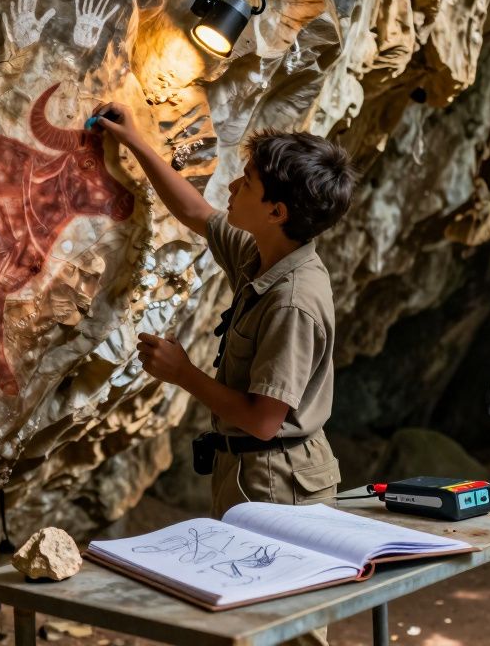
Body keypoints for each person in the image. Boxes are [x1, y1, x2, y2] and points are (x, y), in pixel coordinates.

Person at [92, 101, 356, 642]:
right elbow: (195, 213)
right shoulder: (266, 254)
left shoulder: (292, 301)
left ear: (278, 210)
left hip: (280, 485)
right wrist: (137, 142)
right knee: (245, 622)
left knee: (285, 629)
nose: (233, 188)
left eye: (248, 182)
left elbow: (263, 420)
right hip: (249, 474)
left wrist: (182, 373)